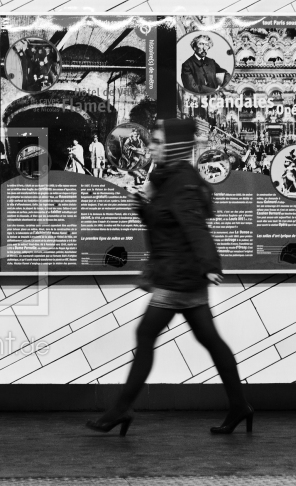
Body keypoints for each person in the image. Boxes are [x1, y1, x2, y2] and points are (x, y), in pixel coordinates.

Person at [85, 118, 252, 437]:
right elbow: (161, 220)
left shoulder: (182, 184)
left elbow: (196, 228)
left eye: (158, 142)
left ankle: (120, 410)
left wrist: (211, 266)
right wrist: (140, 202)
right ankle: (239, 405)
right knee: (210, 341)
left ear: (174, 148)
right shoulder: (165, 179)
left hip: (180, 276)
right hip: (179, 274)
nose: (152, 147)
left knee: (146, 334)